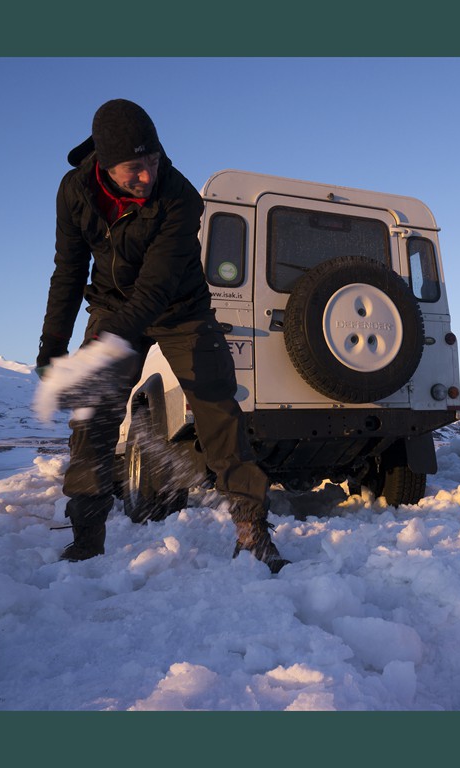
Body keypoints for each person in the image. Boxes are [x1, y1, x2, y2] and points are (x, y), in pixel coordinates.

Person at [36, 98, 287, 572]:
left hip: (180, 307)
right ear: (106, 165)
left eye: (152, 162)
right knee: (93, 416)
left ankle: (253, 533)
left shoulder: (180, 196)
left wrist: (105, 349)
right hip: (112, 306)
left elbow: (156, 285)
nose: (147, 177)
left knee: (218, 410)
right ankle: (86, 540)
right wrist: (52, 347)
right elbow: (68, 272)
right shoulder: (74, 192)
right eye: (134, 168)